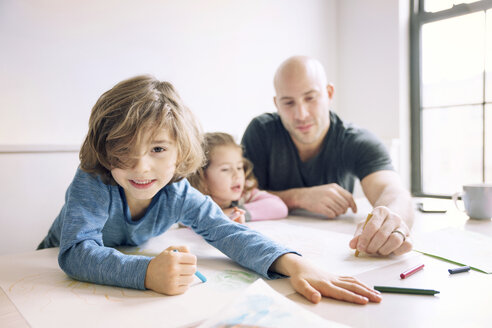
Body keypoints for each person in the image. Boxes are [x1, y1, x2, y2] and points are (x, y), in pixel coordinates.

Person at [37, 75, 382, 305]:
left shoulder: (178, 192)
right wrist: (145, 273)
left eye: (157, 150)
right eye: (124, 151)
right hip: (45, 276)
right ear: (104, 148)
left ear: (180, 150)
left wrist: (293, 264)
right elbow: (75, 252)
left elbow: (227, 232)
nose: (140, 167)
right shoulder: (93, 179)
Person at [241, 56, 414, 257]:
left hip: (334, 252)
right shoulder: (261, 132)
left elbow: (393, 191)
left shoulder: (357, 140)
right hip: (267, 250)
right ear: (276, 104)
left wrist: (390, 219)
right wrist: (300, 197)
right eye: (288, 103)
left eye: (310, 98)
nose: (301, 114)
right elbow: (237, 199)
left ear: (329, 93)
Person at [188, 132, 288, 223]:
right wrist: (220, 216)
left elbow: (280, 207)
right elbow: (191, 220)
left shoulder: (245, 192)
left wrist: (234, 213)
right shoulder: (193, 199)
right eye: (225, 169)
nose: (237, 175)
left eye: (239, 167)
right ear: (201, 175)